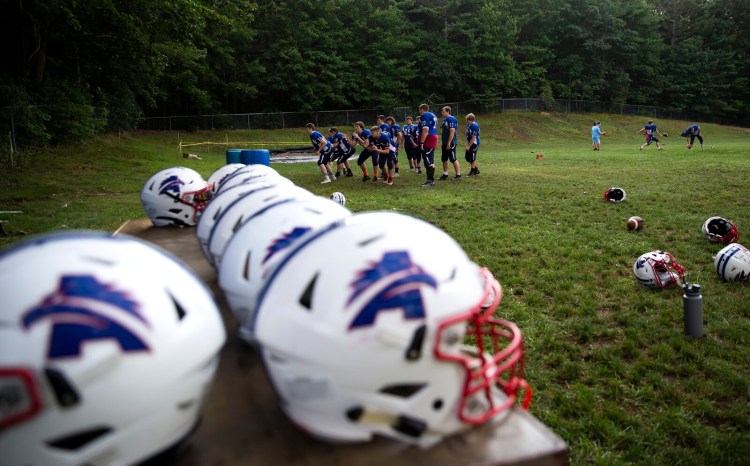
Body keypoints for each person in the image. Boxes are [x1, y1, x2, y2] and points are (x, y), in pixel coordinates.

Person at [417, 103, 439, 186]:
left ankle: (430, 180)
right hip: (431, 137)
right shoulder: (432, 115)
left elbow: (425, 130)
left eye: (419, 110)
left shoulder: (425, 115)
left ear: (422, 109)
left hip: (428, 139)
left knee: (427, 160)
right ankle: (430, 179)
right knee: (430, 160)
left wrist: (422, 142)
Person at [439, 106, 462, 181]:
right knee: (444, 159)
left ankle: (458, 175)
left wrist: (449, 142)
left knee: (453, 158)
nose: (442, 113)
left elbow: (452, 131)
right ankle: (445, 174)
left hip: (450, 142)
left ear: (448, 111)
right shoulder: (445, 120)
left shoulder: (452, 119)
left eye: (443, 111)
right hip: (445, 142)